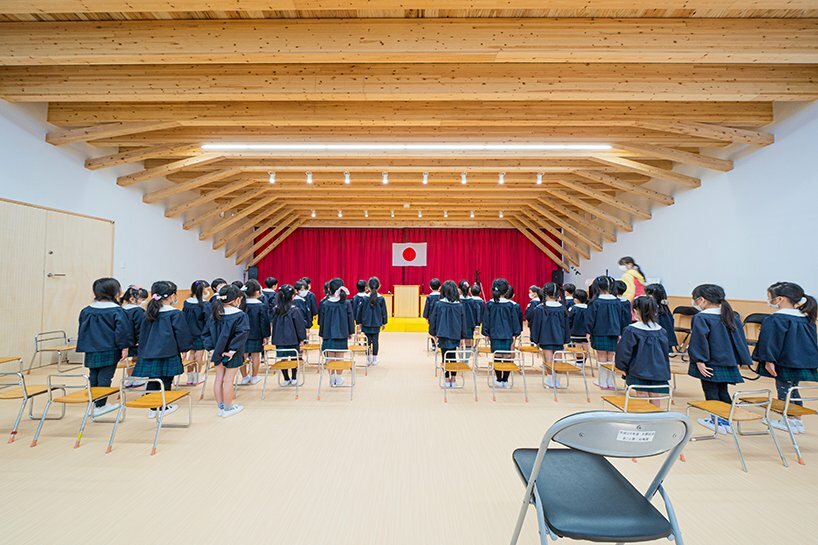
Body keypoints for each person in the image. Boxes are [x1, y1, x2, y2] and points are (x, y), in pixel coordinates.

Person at [753, 282, 818, 433]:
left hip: (783, 362)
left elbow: (770, 342)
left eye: (770, 297)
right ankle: (797, 421)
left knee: (784, 389)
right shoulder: (806, 319)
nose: (768, 301)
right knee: (793, 389)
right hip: (800, 362)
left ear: (780, 299)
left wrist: (768, 360)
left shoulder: (776, 319)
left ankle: (788, 420)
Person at [687, 284, 751, 434]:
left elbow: (699, 340)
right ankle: (726, 420)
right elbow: (740, 340)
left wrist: (699, 360)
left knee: (710, 391)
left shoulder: (701, 317)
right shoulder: (731, 316)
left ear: (702, 300)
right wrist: (741, 359)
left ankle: (717, 421)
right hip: (728, 361)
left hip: (710, 362)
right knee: (723, 390)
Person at [135, 281, 193, 418]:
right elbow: (181, 333)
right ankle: (162, 406)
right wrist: (185, 349)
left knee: (153, 379)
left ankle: (152, 408)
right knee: (166, 380)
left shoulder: (148, 313)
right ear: (172, 296)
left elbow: (142, 334)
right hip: (169, 352)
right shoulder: (175, 314)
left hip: (149, 352)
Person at [76, 278, 131, 417]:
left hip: (91, 348)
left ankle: (93, 403)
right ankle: (100, 405)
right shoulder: (116, 311)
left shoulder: (87, 310)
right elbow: (122, 331)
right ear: (114, 292)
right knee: (106, 377)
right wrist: (124, 347)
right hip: (109, 348)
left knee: (93, 375)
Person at [615, 296, 671, 406]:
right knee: (655, 394)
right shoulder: (661, 331)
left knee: (641, 393)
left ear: (635, 311)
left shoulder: (631, 330)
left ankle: (642, 418)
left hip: (638, 369)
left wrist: (621, 366)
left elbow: (624, 352)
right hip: (658, 370)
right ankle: (654, 419)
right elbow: (665, 352)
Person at [204, 284, 250, 418]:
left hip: (217, 351)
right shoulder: (240, 315)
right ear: (236, 300)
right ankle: (228, 408)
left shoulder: (215, 314)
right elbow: (242, 333)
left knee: (219, 378)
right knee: (229, 379)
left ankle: (221, 407)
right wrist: (232, 350)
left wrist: (212, 349)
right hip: (233, 353)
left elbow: (206, 333)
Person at [585, 276, 625, 390]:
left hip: (599, 332)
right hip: (614, 332)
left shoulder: (595, 302)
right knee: (611, 357)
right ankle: (610, 381)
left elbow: (590, 319)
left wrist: (588, 331)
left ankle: (602, 381)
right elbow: (621, 318)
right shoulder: (617, 302)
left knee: (601, 356)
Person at [482, 278, 522, 388]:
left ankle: (499, 379)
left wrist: (486, 333)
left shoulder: (490, 304)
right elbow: (515, 321)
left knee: (497, 356)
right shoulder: (511, 305)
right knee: (507, 356)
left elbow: (486, 320)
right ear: (506, 291)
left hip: (494, 335)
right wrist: (515, 334)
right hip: (508, 335)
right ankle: (505, 380)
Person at [429, 280, 469, 388]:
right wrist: (463, 337)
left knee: (444, 356)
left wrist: (433, 334)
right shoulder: (459, 306)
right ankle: (453, 379)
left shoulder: (439, 304)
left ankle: (447, 379)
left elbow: (433, 320)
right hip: (455, 335)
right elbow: (463, 322)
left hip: (442, 334)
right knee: (453, 356)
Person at [529, 282, 569, 388]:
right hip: (559, 338)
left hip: (545, 338)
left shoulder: (540, 308)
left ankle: (550, 380)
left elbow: (536, 326)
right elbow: (566, 326)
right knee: (559, 359)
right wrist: (566, 339)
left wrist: (535, 339)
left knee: (548, 360)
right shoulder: (562, 308)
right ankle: (557, 381)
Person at [318, 278, 355, 386]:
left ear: (329, 289)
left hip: (328, 334)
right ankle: (338, 379)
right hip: (342, 334)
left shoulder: (325, 303)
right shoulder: (346, 303)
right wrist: (350, 332)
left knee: (329, 357)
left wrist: (322, 334)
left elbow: (321, 321)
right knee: (339, 357)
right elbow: (350, 319)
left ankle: (332, 378)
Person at [270, 284, 308, 386]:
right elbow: (299, 326)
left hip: (279, 339)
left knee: (283, 358)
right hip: (293, 339)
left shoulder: (276, 309)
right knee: (295, 358)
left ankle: (286, 379)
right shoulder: (294, 310)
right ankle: (294, 378)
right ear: (292, 296)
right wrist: (302, 339)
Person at [240, 279, 270, 385]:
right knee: (255, 355)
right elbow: (264, 323)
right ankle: (254, 376)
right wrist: (266, 336)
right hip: (256, 334)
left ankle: (244, 377)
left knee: (242, 355)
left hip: (241, 335)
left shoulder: (241, 305)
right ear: (257, 292)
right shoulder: (261, 306)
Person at [181, 279, 210, 385]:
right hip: (200, 333)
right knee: (199, 354)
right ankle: (197, 376)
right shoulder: (205, 305)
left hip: (189, 333)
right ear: (203, 290)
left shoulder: (187, 302)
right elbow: (208, 320)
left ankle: (190, 377)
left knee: (191, 354)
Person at [356, 276, 389, 366]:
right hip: (377, 323)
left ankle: (368, 359)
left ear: (368, 287)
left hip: (366, 323)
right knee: (375, 341)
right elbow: (384, 311)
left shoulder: (364, 298)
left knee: (367, 341)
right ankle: (374, 359)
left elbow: (360, 311)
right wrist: (384, 322)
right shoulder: (381, 298)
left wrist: (358, 322)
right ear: (379, 286)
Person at [119, 285, 147, 387]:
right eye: (142, 299)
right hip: (136, 341)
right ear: (132, 298)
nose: (143, 301)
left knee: (132, 361)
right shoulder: (138, 311)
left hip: (125, 341)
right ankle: (138, 378)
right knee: (138, 359)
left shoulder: (121, 310)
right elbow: (140, 327)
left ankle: (130, 379)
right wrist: (141, 340)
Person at [645, 283, 677, 354]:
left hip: (660, 342)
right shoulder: (662, 308)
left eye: (649, 294)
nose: (646, 296)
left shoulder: (660, 311)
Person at [423, 278, 442, 348]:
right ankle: (440, 343)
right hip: (441, 316)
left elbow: (427, 308)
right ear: (440, 287)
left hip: (432, 317)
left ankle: (433, 344)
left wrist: (426, 317)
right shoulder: (442, 296)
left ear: (430, 287)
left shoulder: (429, 297)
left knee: (432, 329)